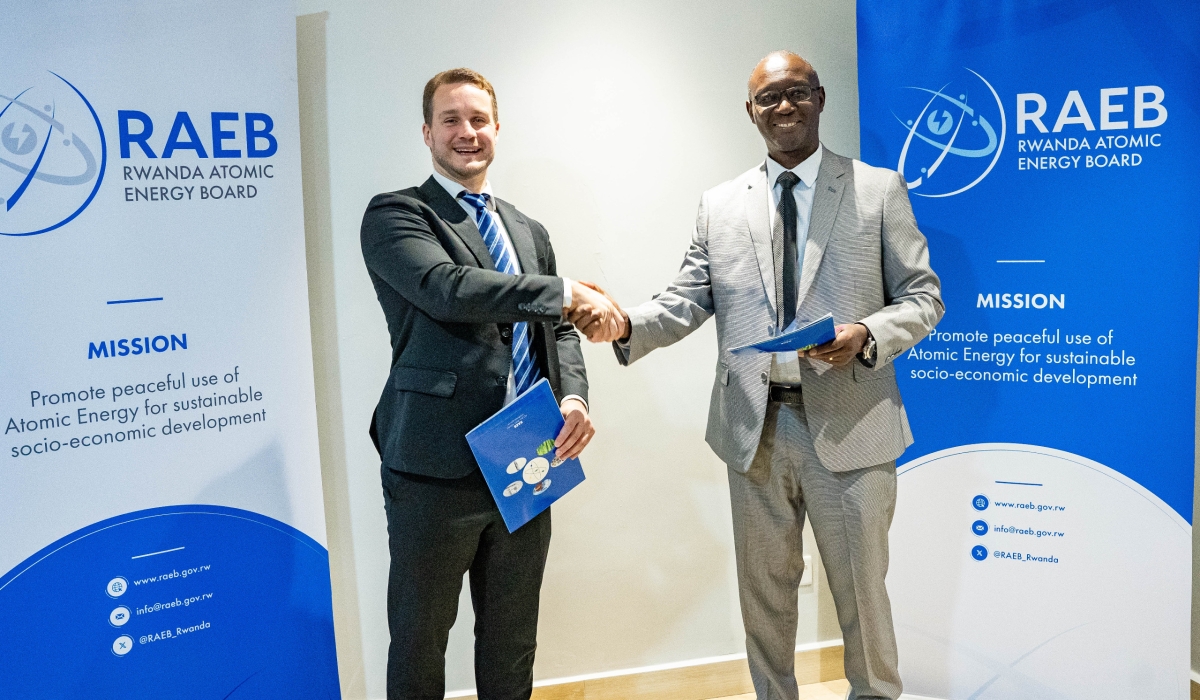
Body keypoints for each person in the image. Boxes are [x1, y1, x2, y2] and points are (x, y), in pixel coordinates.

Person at [579, 51, 943, 700]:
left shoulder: (877, 190)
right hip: (754, 431)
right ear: (750, 112)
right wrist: (625, 324)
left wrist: (865, 335)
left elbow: (923, 297)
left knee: (863, 597)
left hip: (852, 427)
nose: (784, 106)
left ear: (820, 98)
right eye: (769, 97)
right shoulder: (719, 206)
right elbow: (685, 301)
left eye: (797, 92)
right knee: (764, 601)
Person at [360, 67, 621, 700]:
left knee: (512, 638)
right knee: (420, 639)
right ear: (427, 133)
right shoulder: (398, 214)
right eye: (450, 119)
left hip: (526, 455)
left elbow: (559, 331)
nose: (466, 132)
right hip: (434, 465)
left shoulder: (528, 230)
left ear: (497, 129)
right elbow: (448, 290)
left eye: (478, 119)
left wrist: (574, 397)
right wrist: (565, 291)